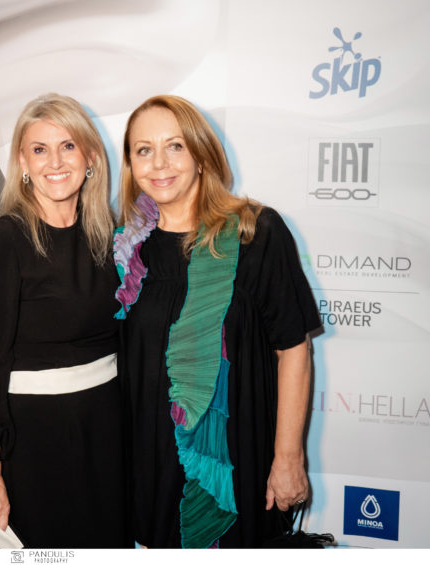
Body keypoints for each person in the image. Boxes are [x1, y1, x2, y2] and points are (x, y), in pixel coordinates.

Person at [113, 95, 321, 548]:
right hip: (149, 463)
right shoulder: (126, 249)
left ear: (201, 155)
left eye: (175, 146)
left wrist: (288, 458)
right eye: (144, 150)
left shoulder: (254, 232)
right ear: (130, 164)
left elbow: (294, 349)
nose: (159, 163)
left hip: (236, 461)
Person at [0, 93, 130, 548]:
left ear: (90, 157)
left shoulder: (113, 236)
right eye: (39, 149)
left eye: (68, 146)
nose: (55, 162)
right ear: (23, 162)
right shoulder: (4, 240)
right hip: (33, 441)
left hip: (106, 432)